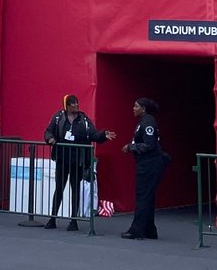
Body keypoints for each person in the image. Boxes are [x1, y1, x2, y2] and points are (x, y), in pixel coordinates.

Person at [42, 94, 115, 230]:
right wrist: (50, 139)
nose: (76, 105)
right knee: (59, 188)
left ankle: (73, 220)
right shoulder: (58, 117)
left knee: (75, 189)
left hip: (78, 161)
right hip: (62, 159)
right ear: (67, 106)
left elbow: (93, 134)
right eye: (73, 103)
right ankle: (52, 219)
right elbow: (48, 132)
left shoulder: (84, 119)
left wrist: (103, 135)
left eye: (77, 103)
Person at [120, 97, 169, 240]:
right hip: (146, 164)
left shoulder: (148, 123)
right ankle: (149, 229)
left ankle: (137, 229)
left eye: (136, 106)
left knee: (142, 197)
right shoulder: (143, 122)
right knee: (148, 197)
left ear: (143, 108)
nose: (133, 109)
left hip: (150, 164)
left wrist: (131, 147)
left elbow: (150, 145)